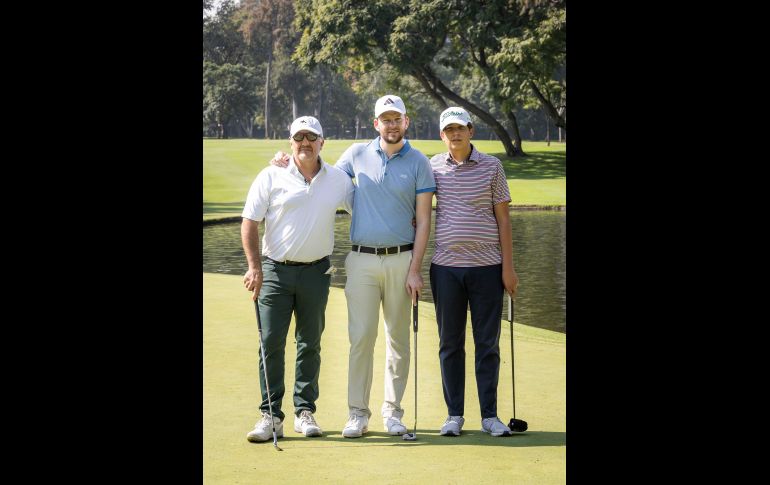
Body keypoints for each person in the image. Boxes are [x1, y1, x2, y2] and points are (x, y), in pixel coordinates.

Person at [269, 95, 435, 438]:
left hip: (402, 259)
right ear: (376, 123)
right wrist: (287, 162)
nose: (391, 124)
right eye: (385, 119)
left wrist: (416, 268)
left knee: (398, 340)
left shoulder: (419, 161)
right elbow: (319, 177)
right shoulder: (356, 154)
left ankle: (393, 412)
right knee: (361, 338)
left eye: (397, 118)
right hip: (361, 260)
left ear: (406, 121)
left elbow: (423, 220)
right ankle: (357, 413)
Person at [241, 116, 354, 443]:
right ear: (291, 142)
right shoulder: (271, 175)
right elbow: (249, 222)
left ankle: (304, 411)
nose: (305, 143)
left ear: (322, 142)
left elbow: (365, 206)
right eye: (299, 137)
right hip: (275, 271)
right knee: (270, 343)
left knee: (310, 343)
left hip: (317, 272)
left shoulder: (338, 179)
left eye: (311, 137)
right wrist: (254, 267)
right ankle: (271, 415)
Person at [428, 107, 519, 437]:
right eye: (449, 129)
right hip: (445, 268)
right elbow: (418, 211)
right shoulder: (432, 167)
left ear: (471, 131)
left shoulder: (492, 166)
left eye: (460, 128)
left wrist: (508, 267)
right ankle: (454, 415)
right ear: (442, 135)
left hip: (487, 267)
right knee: (450, 343)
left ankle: (490, 416)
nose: (455, 134)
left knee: (487, 343)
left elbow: (503, 219)